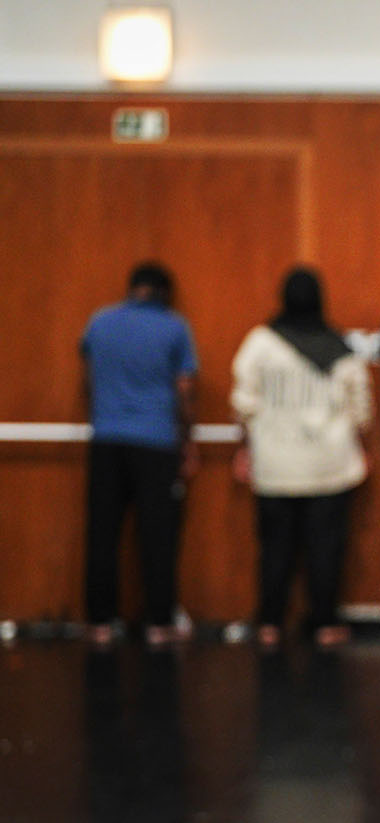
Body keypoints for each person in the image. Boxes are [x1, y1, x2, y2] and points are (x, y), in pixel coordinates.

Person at [230, 267, 373, 648]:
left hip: (275, 463)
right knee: (325, 547)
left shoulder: (260, 343)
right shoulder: (340, 347)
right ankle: (325, 623)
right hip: (329, 464)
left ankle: (270, 623)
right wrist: (361, 443)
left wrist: (244, 447)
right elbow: (361, 408)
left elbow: (244, 402)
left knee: (275, 546)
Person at [80, 261, 198, 648]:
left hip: (107, 437)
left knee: (102, 533)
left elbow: (88, 378)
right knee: (158, 536)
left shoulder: (99, 322)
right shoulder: (175, 327)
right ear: (164, 292)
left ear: (132, 288)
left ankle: (100, 621)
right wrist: (187, 442)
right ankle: (159, 622)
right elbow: (184, 391)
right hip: (156, 442)